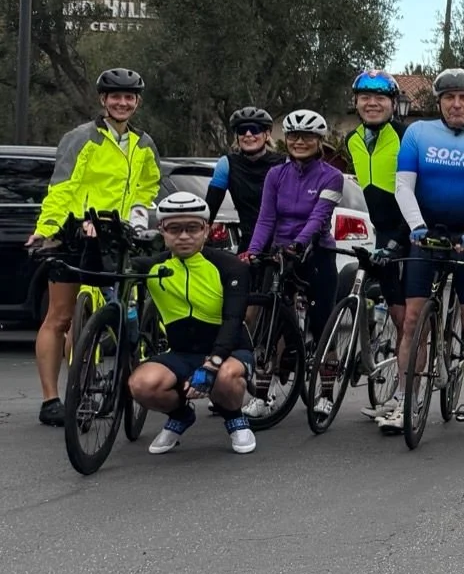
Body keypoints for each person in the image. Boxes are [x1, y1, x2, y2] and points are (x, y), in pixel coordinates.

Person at [27, 67, 162, 427]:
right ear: (103, 100)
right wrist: (47, 229)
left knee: (117, 310)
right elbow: (62, 186)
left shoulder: (144, 143)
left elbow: (150, 187)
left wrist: (137, 216)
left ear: (136, 102)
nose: (122, 102)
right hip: (76, 232)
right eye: (115, 96)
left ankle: (107, 378)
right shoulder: (81, 137)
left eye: (128, 97)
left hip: (117, 236)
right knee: (60, 317)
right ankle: (53, 399)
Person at [382, 68, 464, 436]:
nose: (457, 104)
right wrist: (417, 227)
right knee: (411, 322)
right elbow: (403, 186)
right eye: (449, 98)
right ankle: (409, 400)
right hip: (426, 233)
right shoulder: (418, 134)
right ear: (438, 102)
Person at [129, 192, 258, 455]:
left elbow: (234, 320)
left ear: (206, 230)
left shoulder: (230, 266)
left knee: (225, 378)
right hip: (182, 353)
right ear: (161, 230)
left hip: (230, 350)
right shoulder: (153, 267)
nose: (184, 236)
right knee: (140, 384)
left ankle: (234, 417)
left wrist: (212, 363)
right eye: (174, 229)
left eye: (192, 228)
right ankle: (181, 415)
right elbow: (105, 270)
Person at [242, 109, 344, 421]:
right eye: (294, 136)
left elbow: (318, 217)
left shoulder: (331, 176)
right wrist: (254, 251)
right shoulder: (276, 175)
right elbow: (266, 218)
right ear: (286, 140)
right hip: (279, 252)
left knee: (323, 322)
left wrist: (298, 244)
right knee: (269, 324)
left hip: (315, 252)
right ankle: (262, 394)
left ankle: (325, 393)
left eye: (307, 137)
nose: (300, 142)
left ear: (319, 140)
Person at [344, 70, 411, 422]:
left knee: (406, 318)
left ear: (393, 103)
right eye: (365, 98)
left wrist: (402, 233)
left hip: (407, 231)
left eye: (380, 98)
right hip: (377, 233)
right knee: (392, 313)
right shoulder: (352, 140)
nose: (372, 103)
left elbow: (416, 191)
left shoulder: (405, 136)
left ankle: (405, 395)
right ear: (355, 102)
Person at [206, 106, 286, 248]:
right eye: (242, 130)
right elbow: (210, 209)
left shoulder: (284, 163)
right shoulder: (226, 164)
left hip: (282, 243)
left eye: (254, 129)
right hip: (249, 243)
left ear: (267, 134)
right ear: (237, 136)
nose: (248, 134)